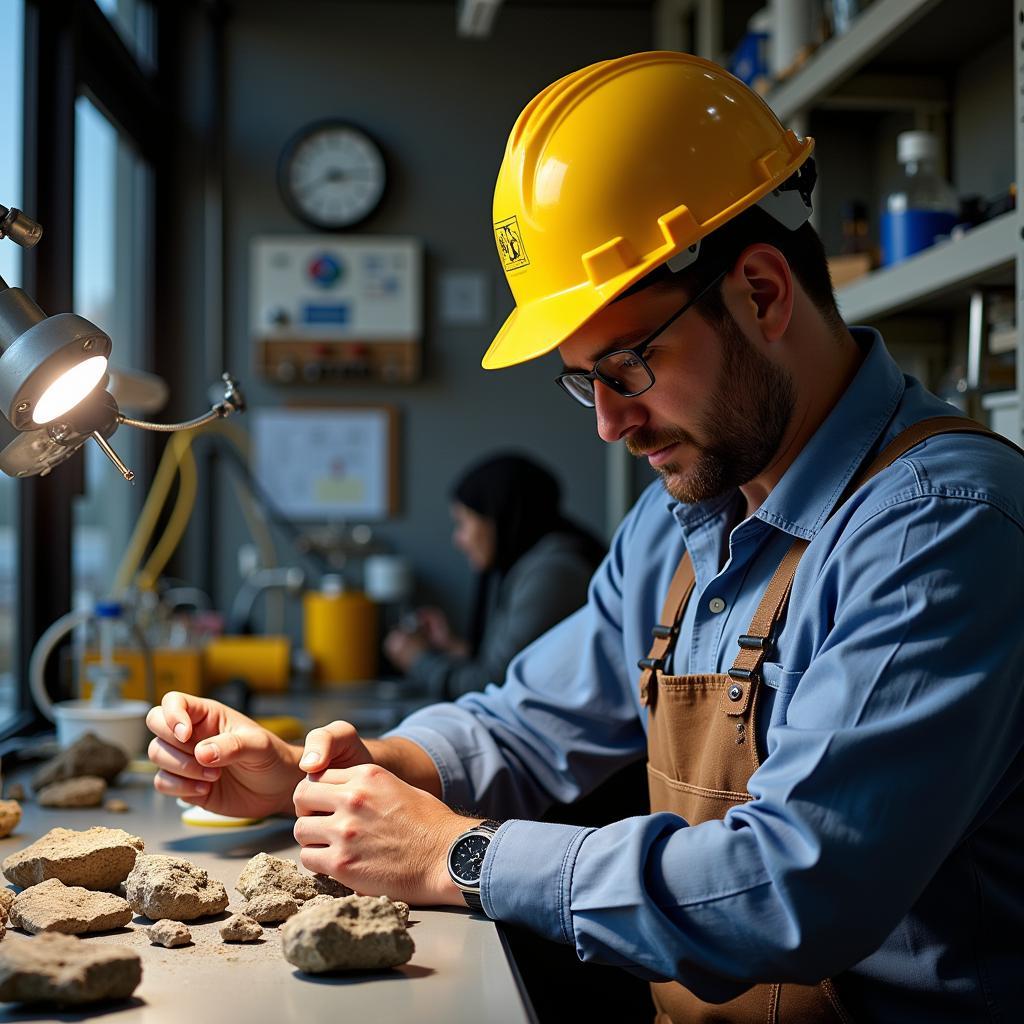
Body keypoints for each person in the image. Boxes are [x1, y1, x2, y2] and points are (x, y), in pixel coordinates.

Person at [146, 52, 1024, 1022]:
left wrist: (454, 853)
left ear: (763, 293)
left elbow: (790, 888)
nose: (608, 423)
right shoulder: (684, 515)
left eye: (628, 366)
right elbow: (528, 723)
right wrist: (336, 770)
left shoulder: (937, 531)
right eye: (583, 379)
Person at [383, 452, 606, 700]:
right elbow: (505, 668)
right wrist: (451, 648)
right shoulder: (535, 564)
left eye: (463, 522)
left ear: (498, 517)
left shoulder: (554, 573)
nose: (459, 539)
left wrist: (419, 659)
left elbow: (493, 687)